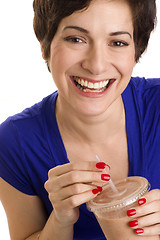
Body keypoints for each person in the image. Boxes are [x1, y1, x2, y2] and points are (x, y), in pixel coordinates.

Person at [0, 0, 159, 239]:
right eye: (76, 39)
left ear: (135, 52)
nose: (96, 65)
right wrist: (61, 219)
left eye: (117, 42)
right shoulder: (15, 142)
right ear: (45, 46)